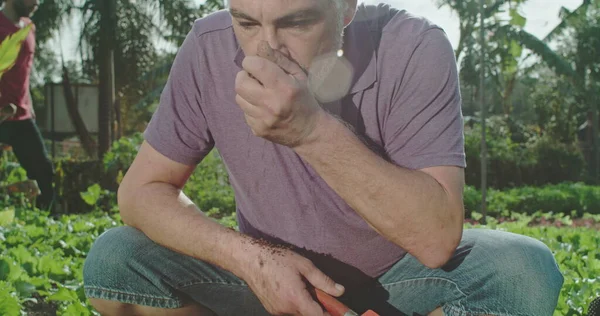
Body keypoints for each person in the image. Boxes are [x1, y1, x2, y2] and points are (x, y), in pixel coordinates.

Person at [83, 0, 564, 315]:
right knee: (115, 259)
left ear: (346, 8)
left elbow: (437, 239)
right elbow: (142, 192)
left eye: (296, 22)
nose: (265, 47)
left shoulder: (414, 46)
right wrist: (253, 260)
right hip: (268, 285)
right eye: (245, 22)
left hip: (399, 281)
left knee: (522, 270)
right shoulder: (207, 47)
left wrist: (310, 130)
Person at [0, 0, 55, 211]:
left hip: (22, 118)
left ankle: (46, 222)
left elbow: (25, 73)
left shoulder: (30, 29)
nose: (37, 2)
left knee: (43, 171)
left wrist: (29, 106)